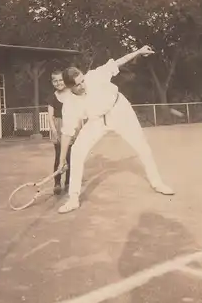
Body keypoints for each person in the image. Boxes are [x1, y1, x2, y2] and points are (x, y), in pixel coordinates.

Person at [55, 45, 174, 214]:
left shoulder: (95, 76)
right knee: (76, 152)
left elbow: (118, 62)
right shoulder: (69, 104)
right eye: (78, 84)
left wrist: (139, 52)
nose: (83, 85)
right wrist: (61, 161)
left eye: (82, 80)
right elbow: (67, 133)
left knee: (142, 146)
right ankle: (73, 198)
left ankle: (157, 183)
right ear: (69, 87)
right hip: (96, 121)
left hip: (119, 110)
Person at [47, 70, 72, 195]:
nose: (58, 83)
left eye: (61, 80)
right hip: (58, 127)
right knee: (58, 156)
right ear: (52, 82)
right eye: (55, 80)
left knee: (70, 156)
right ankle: (57, 182)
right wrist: (54, 130)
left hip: (70, 126)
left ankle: (68, 182)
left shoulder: (72, 93)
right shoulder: (53, 96)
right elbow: (50, 115)